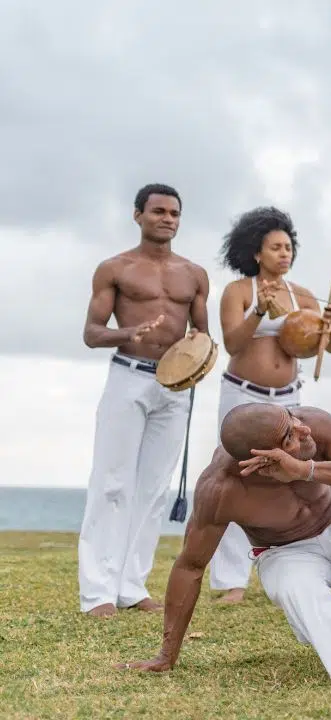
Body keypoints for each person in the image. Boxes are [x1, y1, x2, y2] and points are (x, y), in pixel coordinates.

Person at [117, 402, 331, 693]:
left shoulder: (313, 424)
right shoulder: (222, 489)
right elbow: (190, 566)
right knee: (298, 591)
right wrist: (166, 655)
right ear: (261, 460)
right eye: (289, 436)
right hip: (286, 551)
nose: (303, 430)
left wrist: (306, 469)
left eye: (292, 419)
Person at [78, 183, 211, 618]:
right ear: (138, 215)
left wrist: (198, 348)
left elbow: (205, 335)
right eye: (157, 211)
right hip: (128, 377)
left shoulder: (194, 274)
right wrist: (126, 334)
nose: (167, 218)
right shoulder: (115, 268)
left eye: (174, 212)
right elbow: (91, 333)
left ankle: (132, 586)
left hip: (175, 388)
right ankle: (97, 592)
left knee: (154, 488)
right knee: (112, 482)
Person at [206, 206, 331, 604]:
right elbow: (232, 343)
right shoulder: (239, 291)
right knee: (234, 474)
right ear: (256, 253)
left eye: (288, 247)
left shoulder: (301, 295)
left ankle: (297, 564)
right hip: (243, 392)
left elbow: (328, 348)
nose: (284, 254)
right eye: (275, 247)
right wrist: (259, 311)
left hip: (287, 399)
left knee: (292, 478)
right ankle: (231, 580)